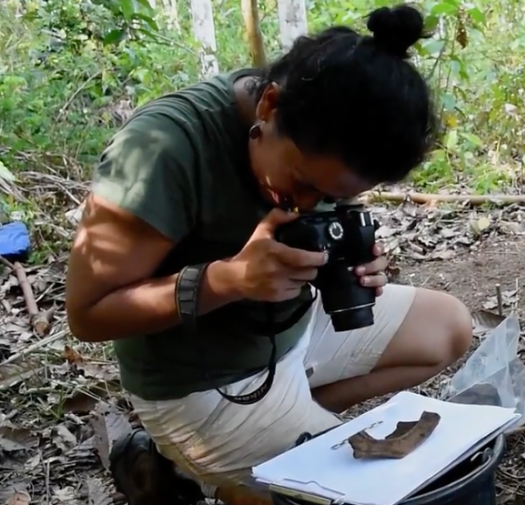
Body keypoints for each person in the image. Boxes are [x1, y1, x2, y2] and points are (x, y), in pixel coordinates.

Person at [64, 5, 472, 505]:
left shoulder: (324, 138)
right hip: (203, 383)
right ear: (268, 106)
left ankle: (275, 438)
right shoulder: (162, 149)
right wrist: (225, 281)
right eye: (304, 184)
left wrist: (355, 261)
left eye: (332, 195)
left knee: (448, 326)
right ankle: (197, 464)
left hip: (292, 335)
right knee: (346, 496)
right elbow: (87, 314)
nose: (308, 204)